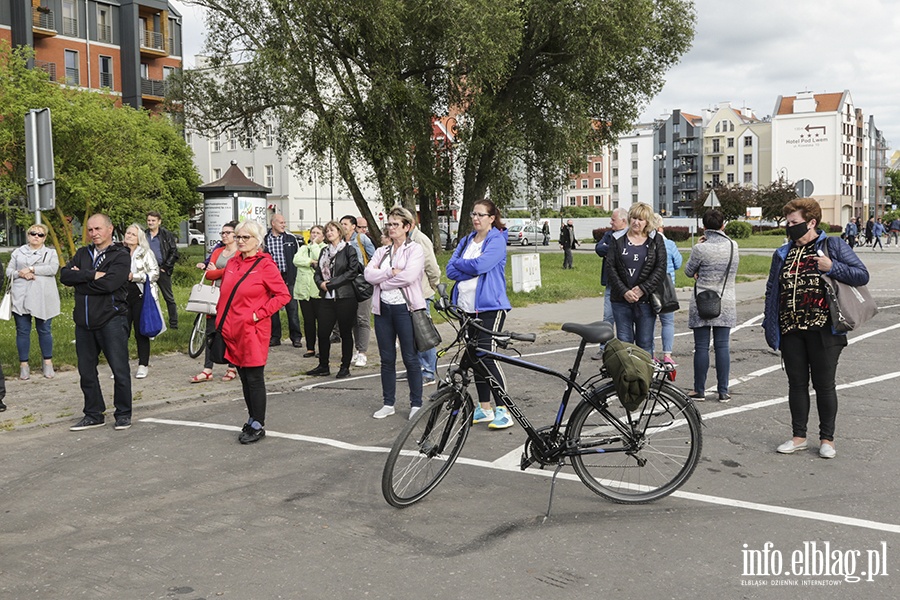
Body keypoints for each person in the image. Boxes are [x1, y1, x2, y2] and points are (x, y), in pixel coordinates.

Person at [763, 198, 869, 459]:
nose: (789, 227)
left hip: (824, 330)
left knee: (824, 385)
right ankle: (798, 436)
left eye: (794, 222)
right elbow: (771, 289)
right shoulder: (783, 253)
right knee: (796, 384)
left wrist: (833, 267)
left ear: (811, 222)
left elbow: (861, 274)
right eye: (788, 222)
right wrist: (770, 323)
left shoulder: (831, 245)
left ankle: (827, 439)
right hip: (791, 329)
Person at [217, 220, 290, 444]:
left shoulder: (265, 265)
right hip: (231, 328)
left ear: (257, 241)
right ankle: (251, 417)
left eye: (245, 237)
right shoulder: (232, 263)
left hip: (252, 330)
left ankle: (258, 423)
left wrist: (258, 315)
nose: (240, 241)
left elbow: (283, 295)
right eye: (238, 236)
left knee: (254, 377)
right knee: (243, 377)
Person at [60, 214, 133, 431]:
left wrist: (80, 280)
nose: (94, 233)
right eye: (90, 230)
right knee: (86, 371)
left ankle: (123, 413)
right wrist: (92, 275)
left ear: (110, 229)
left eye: (98, 229)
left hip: (111, 319)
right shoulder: (83, 253)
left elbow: (111, 284)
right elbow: (64, 276)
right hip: (84, 322)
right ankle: (93, 414)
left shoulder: (120, 254)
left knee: (119, 370)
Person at [446, 199, 513, 429]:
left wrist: (464, 265)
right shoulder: (467, 240)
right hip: (466, 308)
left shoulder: (496, 240)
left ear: (492, 218)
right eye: (473, 214)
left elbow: (480, 267)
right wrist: (467, 266)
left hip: (490, 308)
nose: (476, 218)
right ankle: (484, 408)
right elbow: (449, 269)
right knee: (475, 358)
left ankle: (504, 409)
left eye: (481, 215)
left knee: (486, 355)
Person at [365, 207, 427, 419]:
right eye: (389, 224)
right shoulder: (382, 251)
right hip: (383, 309)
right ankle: (388, 403)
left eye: (395, 224)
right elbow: (368, 274)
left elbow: (409, 277)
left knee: (410, 357)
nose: (391, 228)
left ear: (407, 227)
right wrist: (389, 272)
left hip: (405, 309)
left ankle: (416, 403)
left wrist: (383, 282)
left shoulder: (415, 250)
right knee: (386, 358)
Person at [683, 210, 738, 402]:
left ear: (704, 227)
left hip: (702, 301)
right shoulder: (733, 246)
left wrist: (698, 249)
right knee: (722, 346)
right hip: (726, 301)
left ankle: (700, 390)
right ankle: (723, 391)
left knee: (701, 347)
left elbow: (689, 272)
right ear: (723, 226)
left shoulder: (701, 249)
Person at [605, 202, 666, 355]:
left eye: (640, 219)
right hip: (621, 300)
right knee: (625, 343)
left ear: (647, 222)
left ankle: (645, 378)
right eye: (633, 218)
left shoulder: (655, 239)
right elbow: (610, 268)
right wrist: (624, 291)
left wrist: (642, 289)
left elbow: (660, 268)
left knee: (645, 343)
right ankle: (627, 378)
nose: (636, 222)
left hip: (646, 301)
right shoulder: (617, 239)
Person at [6, 223, 60, 380]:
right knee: (22, 331)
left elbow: (52, 269)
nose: (36, 236)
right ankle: (24, 364)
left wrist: (31, 269)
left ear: (45, 238)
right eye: (33, 233)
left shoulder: (50, 253)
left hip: (42, 297)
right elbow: (9, 271)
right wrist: (21, 274)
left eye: (40, 234)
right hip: (20, 296)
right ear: (28, 235)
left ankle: (47, 362)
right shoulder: (18, 252)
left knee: (44, 329)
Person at [308, 220, 360, 378]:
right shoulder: (324, 251)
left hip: (345, 296)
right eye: (327, 231)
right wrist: (320, 283)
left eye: (332, 230)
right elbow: (318, 272)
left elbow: (352, 271)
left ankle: (345, 367)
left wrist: (332, 284)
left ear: (339, 232)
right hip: (327, 298)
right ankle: (323, 365)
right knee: (323, 332)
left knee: (345, 332)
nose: (329, 233)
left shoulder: (348, 250)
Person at [192, 221, 240, 382]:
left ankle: (232, 366)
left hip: (232, 296)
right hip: (215, 295)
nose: (224, 235)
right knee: (210, 331)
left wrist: (218, 271)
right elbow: (209, 274)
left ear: (236, 234)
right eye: (223, 233)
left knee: (230, 333)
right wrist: (219, 272)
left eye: (228, 233)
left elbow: (234, 273)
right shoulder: (218, 251)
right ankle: (207, 369)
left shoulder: (239, 253)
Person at [123, 224, 160, 380]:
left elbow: (155, 273)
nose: (129, 235)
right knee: (120, 333)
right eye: (128, 232)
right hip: (121, 296)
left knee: (141, 332)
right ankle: (121, 366)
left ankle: (143, 364)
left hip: (140, 295)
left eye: (133, 234)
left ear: (139, 238)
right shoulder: (119, 252)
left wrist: (135, 276)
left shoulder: (145, 252)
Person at [408, 220, 442, 386]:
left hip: (421, 293)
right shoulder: (405, 240)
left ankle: (429, 371)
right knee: (412, 334)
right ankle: (416, 368)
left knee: (424, 334)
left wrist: (434, 285)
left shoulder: (419, 239)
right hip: (409, 295)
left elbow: (431, 266)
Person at [340, 215, 376, 367]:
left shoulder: (361, 239)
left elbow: (375, 258)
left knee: (362, 318)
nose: (343, 226)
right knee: (353, 319)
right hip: (346, 285)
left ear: (353, 226)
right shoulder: (340, 243)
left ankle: (362, 353)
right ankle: (357, 349)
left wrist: (367, 273)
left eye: (345, 224)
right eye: (341, 223)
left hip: (361, 283)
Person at [592, 208, 628, 360]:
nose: (610, 222)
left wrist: (612, 251)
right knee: (608, 316)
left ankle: (624, 348)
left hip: (626, 285)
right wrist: (614, 250)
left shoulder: (630, 235)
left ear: (623, 221)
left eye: (614, 220)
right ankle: (603, 348)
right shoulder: (608, 235)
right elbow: (599, 248)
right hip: (610, 284)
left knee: (625, 318)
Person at [264, 213, 304, 347]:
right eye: (281, 222)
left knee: (292, 308)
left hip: (288, 277)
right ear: (273, 223)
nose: (284, 225)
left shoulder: (290, 239)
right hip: (271, 279)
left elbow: (297, 258)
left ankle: (296, 337)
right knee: (273, 309)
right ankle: (275, 337)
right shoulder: (264, 240)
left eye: (284, 222)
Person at [651, 213, 682, 366]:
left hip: (649, 288)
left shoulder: (646, 243)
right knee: (667, 322)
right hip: (667, 288)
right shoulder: (669, 244)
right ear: (660, 226)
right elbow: (678, 263)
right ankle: (667, 354)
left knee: (649, 323)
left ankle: (650, 353)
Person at [293, 225, 327, 359]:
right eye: (313, 233)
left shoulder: (324, 248)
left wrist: (314, 246)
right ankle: (310, 347)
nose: (315, 235)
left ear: (323, 236)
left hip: (317, 291)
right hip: (304, 290)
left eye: (318, 233)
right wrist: (310, 262)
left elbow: (320, 258)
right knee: (308, 321)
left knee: (322, 321)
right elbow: (296, 260)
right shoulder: (303, 248)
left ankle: (322, 348)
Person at [145, 211, 179, 329]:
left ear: (159, 222)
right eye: (149, 220)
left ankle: (173, 324)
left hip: (162, 269)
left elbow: (174, 252)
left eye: (153, 220)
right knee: (149, 297)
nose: (150, 223)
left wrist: (165, 267)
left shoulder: (166, 235)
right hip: (147, 271)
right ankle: (151, 323)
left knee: (168, 297)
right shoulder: (144, 235)